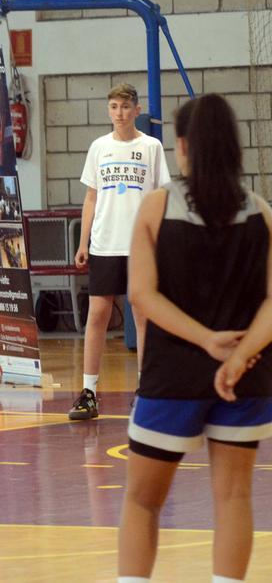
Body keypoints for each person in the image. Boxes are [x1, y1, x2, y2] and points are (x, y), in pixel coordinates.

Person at [119, 94, 272, 582]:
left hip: (174, 374)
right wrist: (238, 355)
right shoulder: (261, 213)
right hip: (245, 376)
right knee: (233, 498)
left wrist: (207, 341)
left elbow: (141, 295)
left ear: (182, 147)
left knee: (142, 502)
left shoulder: (156, 208)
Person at [69, 83, 171, 420]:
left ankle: (145, 391)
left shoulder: (151, 147)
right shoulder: (98, 147)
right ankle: (88, 392)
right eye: (114, 106)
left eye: (125, 107)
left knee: (142, 315)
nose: (119, 113)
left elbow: (161, 197)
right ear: (108, 110)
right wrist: (83, 243)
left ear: (137, 110)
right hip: (104, 243)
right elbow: (91, 198)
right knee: (98, 315)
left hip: (141, 244)